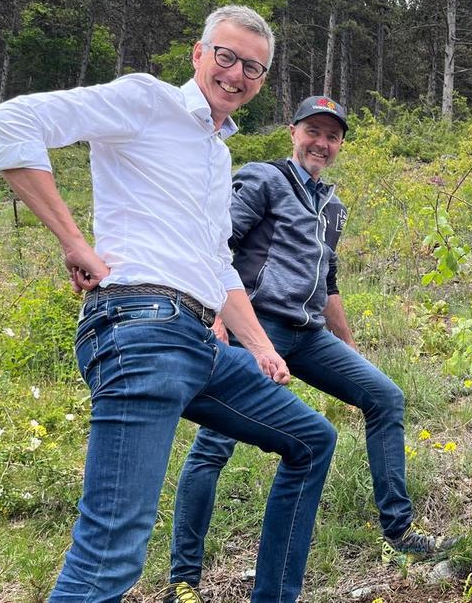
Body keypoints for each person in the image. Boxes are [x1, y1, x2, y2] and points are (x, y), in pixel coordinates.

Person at [0, 5, 336, 603]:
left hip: (200, 340)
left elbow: (216, 264)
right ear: (198, 54)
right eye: (225, 56)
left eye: (254, 67)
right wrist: (73, 241)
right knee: (112, 552)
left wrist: (263, 348)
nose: (236, 73)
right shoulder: (147, 101)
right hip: (141, 328)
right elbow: (8, 121)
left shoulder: (219, 156)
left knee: (310, 440)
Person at [168, 95, 457, 594]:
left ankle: (400, 530)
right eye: (313, 132)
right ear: (293, 130)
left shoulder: (332, 204)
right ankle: (184, 579)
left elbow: (329, 281)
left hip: (309, 335)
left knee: (384, 396)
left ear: (340, 143)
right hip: (255, 328)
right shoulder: (264, 180)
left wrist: (348, 344)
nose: (321, 143)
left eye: (332, 136)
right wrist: (216, 317)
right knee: (214, 444)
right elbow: (216, 245)